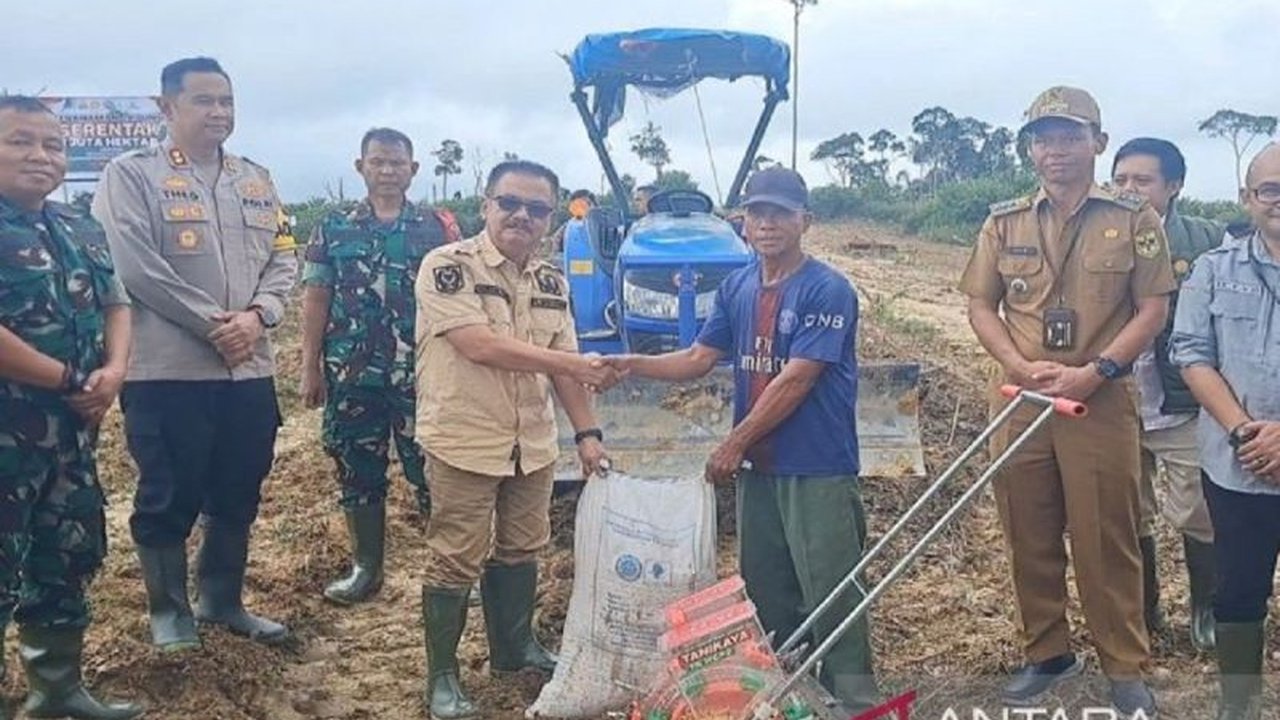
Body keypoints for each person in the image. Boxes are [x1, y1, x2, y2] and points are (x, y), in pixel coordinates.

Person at [604, 166, 879, 715]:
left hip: (815, 464)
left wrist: (734, 442)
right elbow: (698, 358)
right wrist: (629, 363)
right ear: (743, 223)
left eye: (780, 213)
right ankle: (782, 691)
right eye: (757, 213)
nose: (767, 223)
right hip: (761, 468)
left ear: (806, 221)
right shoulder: (738, 286)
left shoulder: (827, 289)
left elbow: (797, 378)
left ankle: (854, 697)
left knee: (830, 585)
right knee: (767, 586)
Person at [957, 86, 1175, 715]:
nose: (1056, 150)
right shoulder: (1004, 221)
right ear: (1031, 150)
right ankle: (1046, 652)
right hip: (1021, 396)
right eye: (1043, 138)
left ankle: (1124, 666)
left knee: (1107, 533)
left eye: (1070, 136)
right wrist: (1015, 364)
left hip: (1098, 399)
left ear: (1097, 143)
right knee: (1027, 527)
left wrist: (1100, 369)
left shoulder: (1134, 218)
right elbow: (979, 302)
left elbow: (1152, 308)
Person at [92, 57, 297, 651]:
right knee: (168, 491)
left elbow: (284, 257)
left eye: (227, 102)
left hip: (248, 370)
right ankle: (169, 611)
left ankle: (223, 600)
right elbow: (134, 266)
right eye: (204, 101)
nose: (219, 113)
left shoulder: (255, 179)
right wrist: (216, 326)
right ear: (166, 107)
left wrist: (258, 317)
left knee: (239, 486)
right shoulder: (131, 176)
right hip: (169, 371)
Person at [414, 160, 620, 719]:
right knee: (456, 556)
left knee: (523, 547)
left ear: (551, 218)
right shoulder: (446, 267)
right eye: (509, 203)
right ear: (486, 205)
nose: (521, 217)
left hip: (531, 444)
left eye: (536, 209)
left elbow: (564, 371)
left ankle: (513, 649)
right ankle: (443, 676)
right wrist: (573, 362)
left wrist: (588, 433)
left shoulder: (551, 280)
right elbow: (479, 345)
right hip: (465, 439)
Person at [0, 95, 143, 720]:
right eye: (20, 141)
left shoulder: (77, 226)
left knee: (66, 555)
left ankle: (57, 690)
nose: (41, 156)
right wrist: (70, 378)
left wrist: (112, 373)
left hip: (70, 436)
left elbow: (117, 303)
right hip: (10, 435)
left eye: (52, 145)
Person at [300, 128, 456, 606]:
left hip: (422, 374)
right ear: (360, 167)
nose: (387, 170)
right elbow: (316, 295)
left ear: (413, 169)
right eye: (377, 162)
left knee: (434, 470)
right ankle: (366, 568)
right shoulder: (333, 227)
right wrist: (310, 365)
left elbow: (460, 300)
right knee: (356, 468)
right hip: (352, 374)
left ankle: (451, 570)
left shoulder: (438, 228)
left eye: (396, 163)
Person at [1170, 143, 1280, 719]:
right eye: (1271, 189)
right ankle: (1239, 706)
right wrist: (1244, 432)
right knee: (1239, 592)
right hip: (1238, 467)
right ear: (1248, 198)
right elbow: (1190, 353)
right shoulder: (1214, 269)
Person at [1111, 137, 1224, 649]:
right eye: (1121, 180)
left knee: (1198, 510)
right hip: (1117, 400)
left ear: (1174, 186)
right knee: (1129, 509)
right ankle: (1144, 611)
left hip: (1181, 404)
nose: (1129, 190)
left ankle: (1207, 610)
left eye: (1143, 180)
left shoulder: (1209, 241)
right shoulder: (1098, 236)